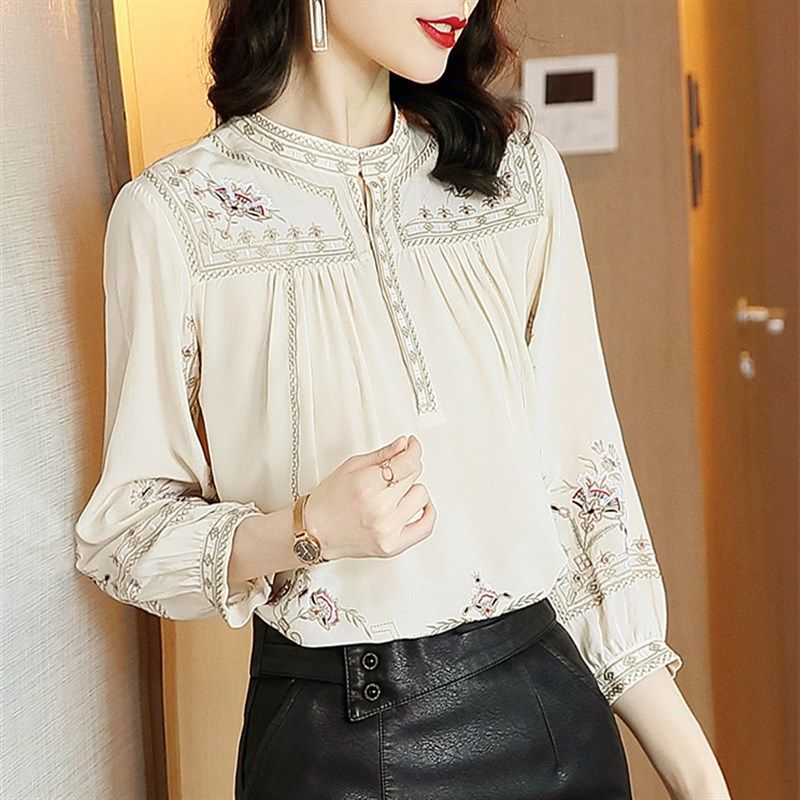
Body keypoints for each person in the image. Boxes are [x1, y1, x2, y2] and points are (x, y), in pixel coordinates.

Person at [73, 1, 731, 797]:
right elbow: (127, 534)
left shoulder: (514, 174)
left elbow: (587, 495)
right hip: (338, 743)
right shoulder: (179, 215)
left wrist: (699, 777)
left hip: (553, 721)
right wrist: (305, 531)